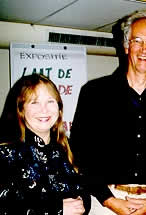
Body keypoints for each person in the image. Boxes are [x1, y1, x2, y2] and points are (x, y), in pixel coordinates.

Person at [69, 9, 146, 215]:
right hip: (105, 203)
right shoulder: (94, 92)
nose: (145, 49)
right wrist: (109, 200)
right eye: (137, 41)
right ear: (125, 46)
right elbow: (81, 152)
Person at [0, 74, 91, 214]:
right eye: (34, 102)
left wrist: (81, 204)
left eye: (50, 101)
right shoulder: (6, 152)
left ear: (59, 108)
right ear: (21, 110)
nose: (44, 110)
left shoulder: (66, 147)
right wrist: (57, 208)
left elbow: (84, 190)